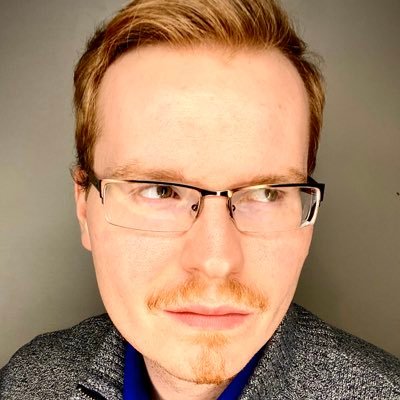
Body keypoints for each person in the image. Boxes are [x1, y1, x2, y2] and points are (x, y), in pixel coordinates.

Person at [0, 0, 399, 398]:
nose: (215, 261)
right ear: (84, 209)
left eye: (266, 193)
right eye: (160, 190)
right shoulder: (24, 383)